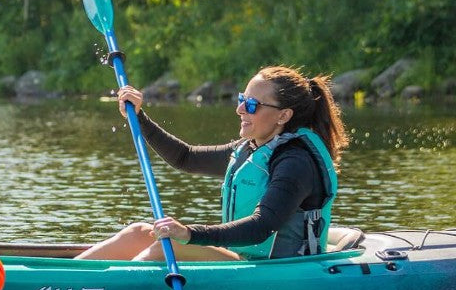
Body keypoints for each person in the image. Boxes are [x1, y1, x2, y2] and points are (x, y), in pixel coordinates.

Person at [76, 65, 350, 262]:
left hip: (277, 268)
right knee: (138, 233)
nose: (240, 109)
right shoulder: (251, 149)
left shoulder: (295, 162)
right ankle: (65, 279)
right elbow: (186, 157)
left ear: (283, 116)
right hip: (242, 258)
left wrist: (189, 233)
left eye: (252, 105)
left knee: (164, 247)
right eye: (242, 100)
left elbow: (262, 225)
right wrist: (139, 117)